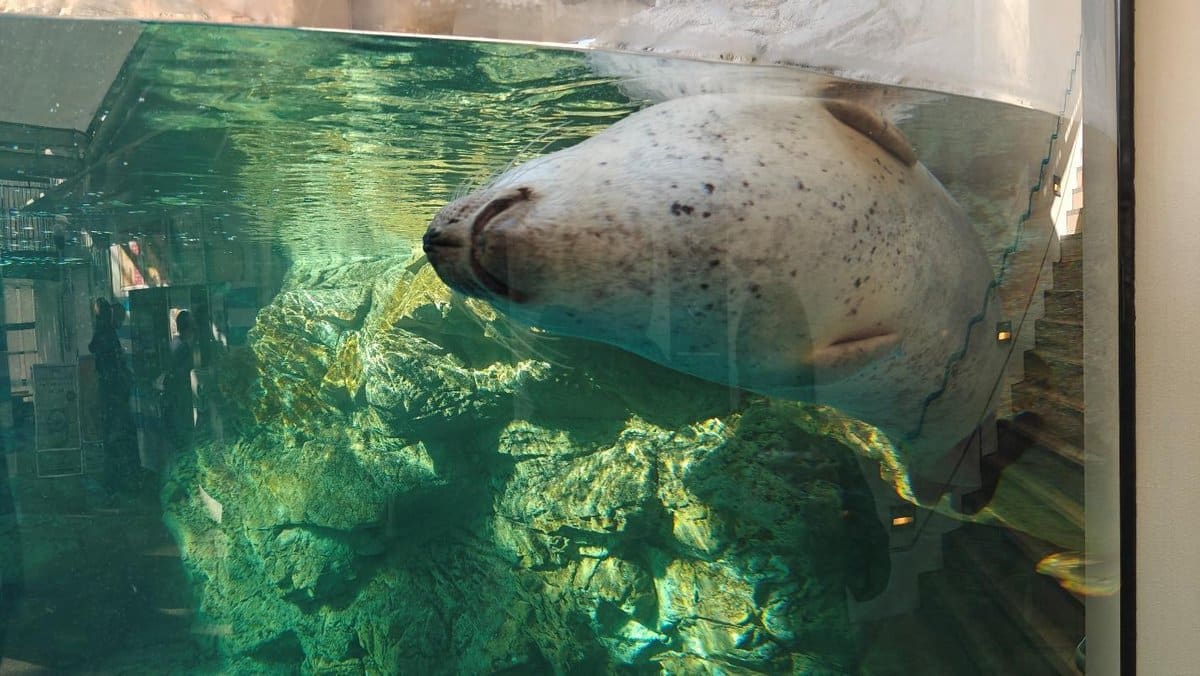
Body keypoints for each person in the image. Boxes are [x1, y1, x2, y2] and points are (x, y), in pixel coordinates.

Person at [162, 310, 196, 455]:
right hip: (179, 395)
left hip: (176, 394)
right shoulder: (181, 347)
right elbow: (178, 371)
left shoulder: (175, 343)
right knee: (182, 429)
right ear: (189, 328)